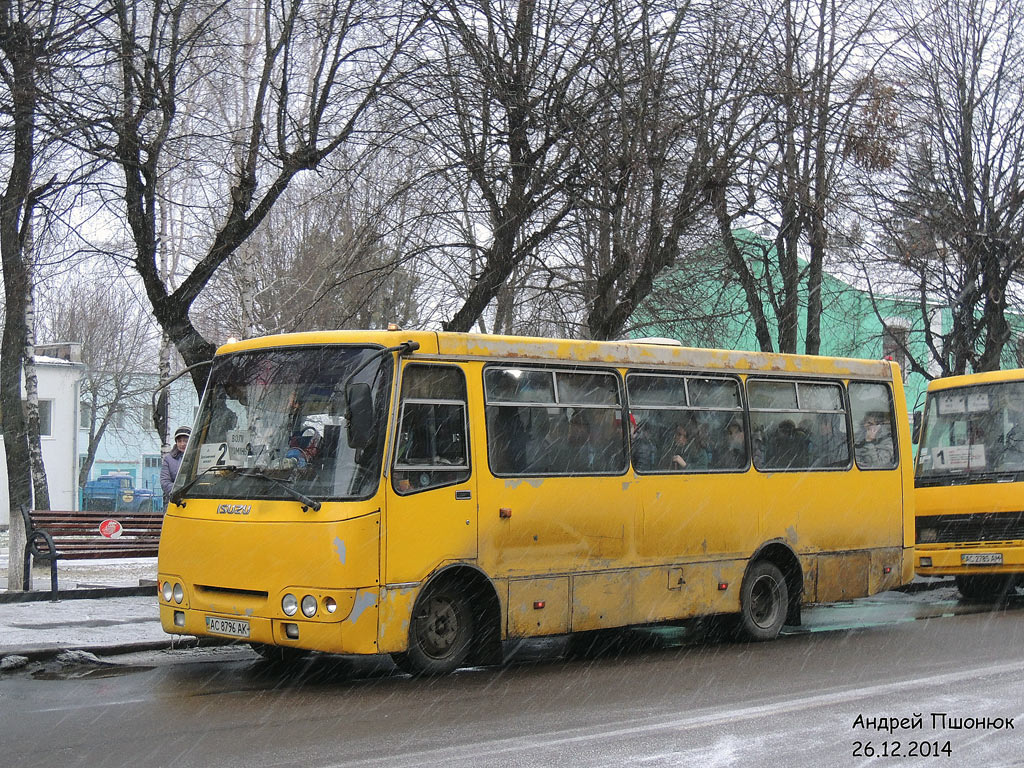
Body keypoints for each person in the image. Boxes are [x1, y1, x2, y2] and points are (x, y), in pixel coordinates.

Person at [161, 426, 191, 497]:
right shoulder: (168, 460)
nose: (182, 444)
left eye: (185, 441)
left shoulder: (198, 457)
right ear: (176, 442)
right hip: (175, 500)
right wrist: (178, 491)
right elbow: (164, 481)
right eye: (179, 441)